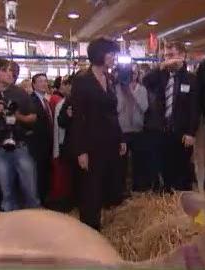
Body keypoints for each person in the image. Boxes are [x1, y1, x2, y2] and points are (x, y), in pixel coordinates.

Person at [71, 38, 126, 230]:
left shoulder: (109, 79)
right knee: (90, 189)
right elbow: (78, 118)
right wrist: (81, 151)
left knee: (106, 185)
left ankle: (102, 224)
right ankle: (89, 229)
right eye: (110, 54)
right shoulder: (82, 81)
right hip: (91, 143)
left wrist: (121, 138)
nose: (113, 58)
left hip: (110, 141)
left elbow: (113, 113)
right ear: (99, 55)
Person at [0, 57, 40, 211]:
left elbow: (33, 117)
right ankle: (11, 226)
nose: (9, 73)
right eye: (4, 70)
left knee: (30, 190)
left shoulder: (20, 93)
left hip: (20, 147)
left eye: (10, 70)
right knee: (7, 193)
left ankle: (36, 224)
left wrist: (18, 117)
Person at [142, 41, 200, 192]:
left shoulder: (191, 79)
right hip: (161, 131)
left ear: (182, 56)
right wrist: (159, 67)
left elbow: (195, 108)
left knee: (181, 172)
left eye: (171, 55)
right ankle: (167, 202)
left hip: (181, 134)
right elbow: (145, 81)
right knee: (163, 170)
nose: (168, 59)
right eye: (166, 56)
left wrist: (191, 133)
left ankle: (183, 204)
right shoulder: (160, 76)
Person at [115, 64, 149, 192]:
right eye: (130, 73)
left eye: (135, 73)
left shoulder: (142, 90)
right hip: (122, 132)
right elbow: (116, 109)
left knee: (138, 162)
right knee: (121, 163)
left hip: (137, 131)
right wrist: (125, 93)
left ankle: (137, 189)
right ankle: (121, 189)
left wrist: (133, 94)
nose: (132, 76)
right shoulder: (117, 89)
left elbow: (144, 107)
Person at [49, 75, 73, 211]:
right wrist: (57, 149)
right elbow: (59, 126)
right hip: (65, 145)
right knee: (65, 178)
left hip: (67, 145)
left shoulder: (62, 102)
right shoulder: (61, 103)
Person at [29, 73, 53, 204]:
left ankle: (44, 199)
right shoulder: (32, 100)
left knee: (45, 174)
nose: (44, 84)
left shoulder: (45, 101)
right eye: (40, 81)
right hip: (38, 146)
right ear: (34, 85)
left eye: (45, 81)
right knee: (38, 175)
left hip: (46, 145)